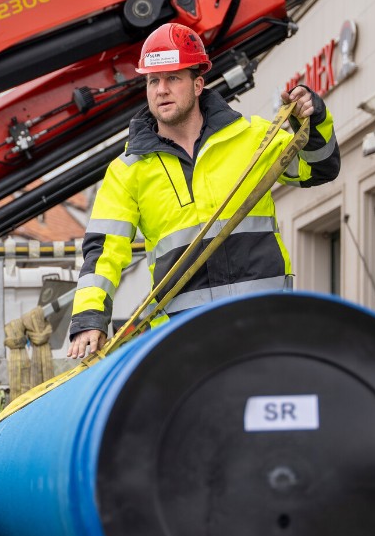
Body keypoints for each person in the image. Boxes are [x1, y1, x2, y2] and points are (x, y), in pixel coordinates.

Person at [67, 22, 340, 358]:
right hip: (185, 343)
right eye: (153, 80)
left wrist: (313, 120)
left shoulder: (252, 138)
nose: (161, 89)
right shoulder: (128, 171)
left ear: (198, 84)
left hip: (267, 325)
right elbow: (102, 252)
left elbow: (319, 168)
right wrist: (89, 319)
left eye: (173, 78)